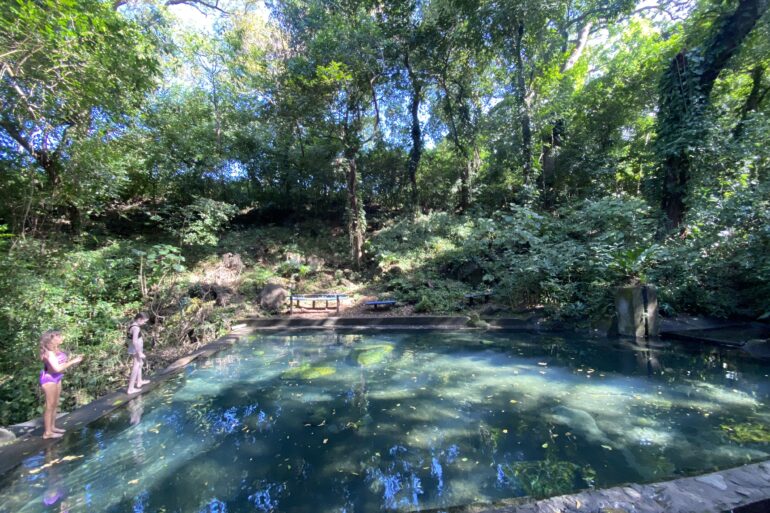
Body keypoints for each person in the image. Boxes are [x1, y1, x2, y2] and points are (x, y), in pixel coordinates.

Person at [39, 330, 83, 439]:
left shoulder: (57, 349)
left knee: (55, 404)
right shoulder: (48, 353)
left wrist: (69, 360)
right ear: (52, 340)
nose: (61, 338)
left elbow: (61, 362)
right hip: (49, 379)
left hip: (57, 377)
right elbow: (57, 368)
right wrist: (73, 362)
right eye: (58, 337)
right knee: (49, 406)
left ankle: (52, 427)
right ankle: (47, 433)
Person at [126, 312, 151, 394]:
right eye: (144, 321)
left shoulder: (132, 325)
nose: (144, 323)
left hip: (135, 349)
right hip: (136, 350)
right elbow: (134, 341)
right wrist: (139, 352)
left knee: (140, 363)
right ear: (139, 319)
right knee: (136, 366)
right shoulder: (136, 328)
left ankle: (139, 381)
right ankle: (130, 389)